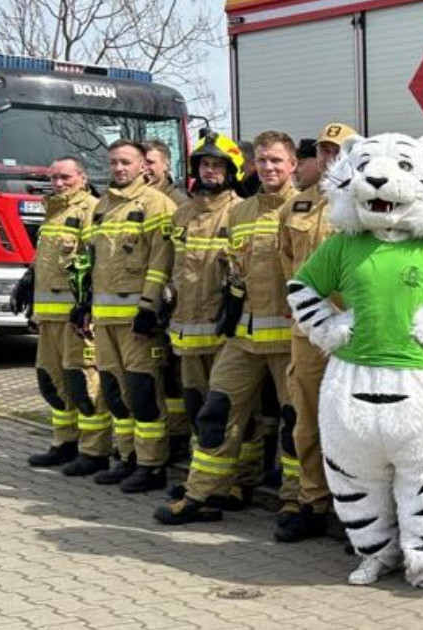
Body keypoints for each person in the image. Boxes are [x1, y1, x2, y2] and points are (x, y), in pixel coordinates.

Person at [155, 131, 300, 524]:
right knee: (216, 413)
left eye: (277, 160)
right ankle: (202, 494)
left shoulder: (305, 209)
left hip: (290, 340)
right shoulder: (241, 212)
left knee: (294, 423)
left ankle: (296, 500)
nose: (269, 167)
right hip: (243, 337)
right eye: (263, 160)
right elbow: (236, 271)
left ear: (292, 165)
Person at [77, 140, 177, 492]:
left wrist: (149, 307)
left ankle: (152, 466)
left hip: (138, 321)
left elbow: (161, 262)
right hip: (104, 320)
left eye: (126, 162)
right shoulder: (103, 206)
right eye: (114, 162)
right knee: (115, 393)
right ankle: (128, 457)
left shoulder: (156, 204)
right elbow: (93, 261)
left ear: (142, 167)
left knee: (143, 392)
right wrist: (85, 305)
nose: (119, 168)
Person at [276, 122, 357, 542]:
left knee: (352, 425)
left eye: (339, 150)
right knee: (306, 422)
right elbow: (286, 264)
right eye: (325, 150)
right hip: (308, 333)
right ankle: (312, 502)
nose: (331, 157)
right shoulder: (296, 207)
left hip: (353, 335)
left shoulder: (367, 204)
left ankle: (355, 511)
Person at [164, 132, 251, 508]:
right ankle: (202, 478)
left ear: (232, 171)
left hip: (223, 332)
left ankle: (239, 481)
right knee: (197, 407)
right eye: (204, 165)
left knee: (231, 413)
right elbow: (172, 267)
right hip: (185, 330)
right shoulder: (182, 213)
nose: (209, 171)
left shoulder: (240, 212)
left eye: (217, 165)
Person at [17, 157, 109, 473]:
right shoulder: (53, 212)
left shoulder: (91, 210)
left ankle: (94, 451)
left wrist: (86, 306)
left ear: (82, 178)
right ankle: (64, 443)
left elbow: (94, 262)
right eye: (54, 177)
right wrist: (30, 281)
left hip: (75, 318)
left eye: (65, 177)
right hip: (48, 318)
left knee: (83, 382)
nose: (58, 183)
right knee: (53, 382)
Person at [143, 138, 192, 461]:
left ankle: (178, 436)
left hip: (173, 301)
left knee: (175, 375)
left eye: (151, 162)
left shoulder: (177, 202)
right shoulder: (140, 200)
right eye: (143, 162)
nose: (146, 168)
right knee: (158, 374)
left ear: (166, 164)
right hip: (148, 300)